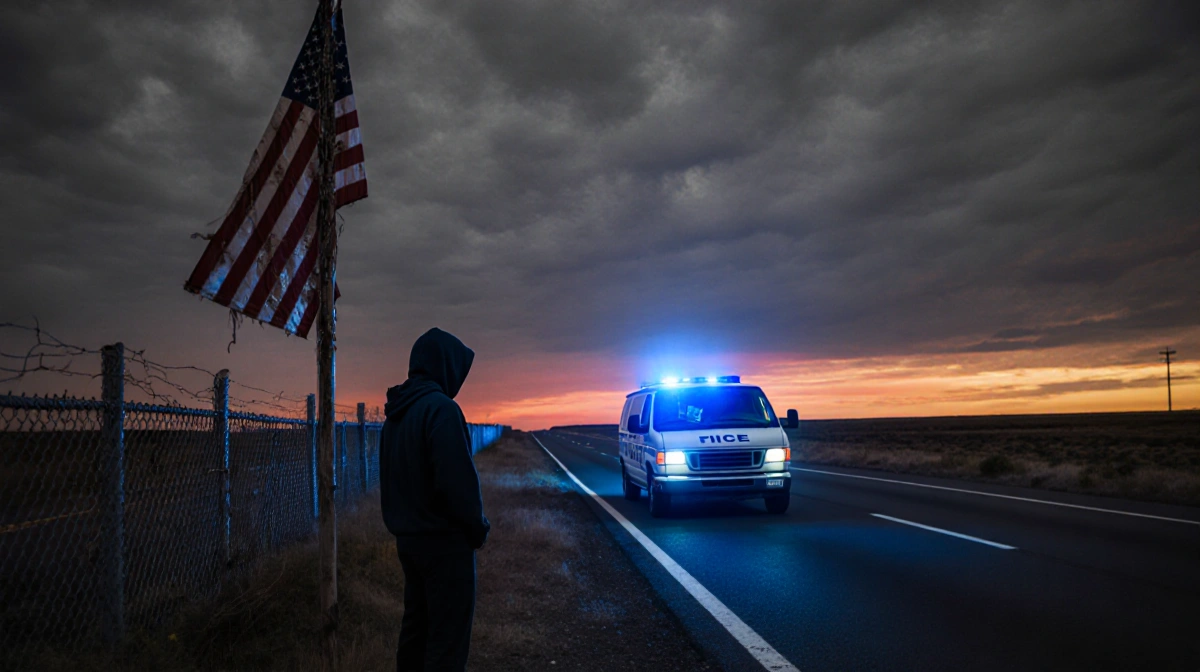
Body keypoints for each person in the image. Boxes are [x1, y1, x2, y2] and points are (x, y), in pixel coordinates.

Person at [380, 327, 490, 672]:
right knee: (446, 646)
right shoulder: (441, 410)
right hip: (446, 547)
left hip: (409, 544)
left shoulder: (395, 415)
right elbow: (457, 484)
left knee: (415, 635)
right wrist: (477, 530)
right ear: (444, 366)